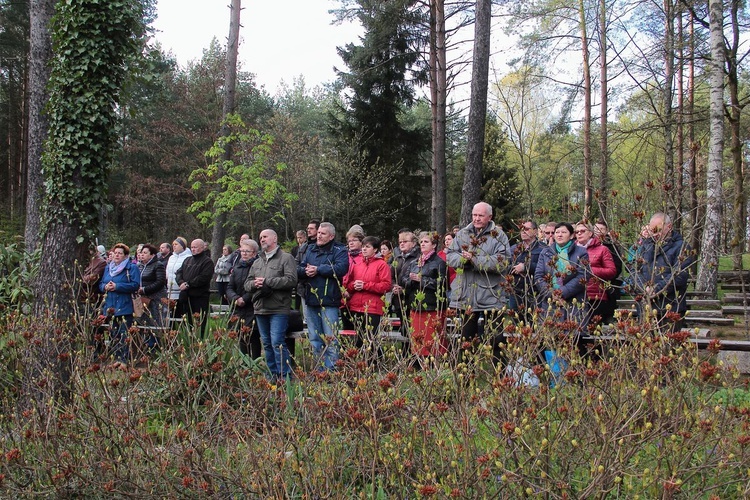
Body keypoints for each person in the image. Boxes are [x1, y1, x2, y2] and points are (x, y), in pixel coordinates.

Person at [446, 202, 511, 367]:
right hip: (466, 295)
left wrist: (474, 259)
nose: (476, 218)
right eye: (474, 215)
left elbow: (502, 263)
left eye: (480, 215)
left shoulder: (499, 236)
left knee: (496, 339)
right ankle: (467, 377)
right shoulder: (462, 234)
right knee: (466, 339)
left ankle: (499, 376)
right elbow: (450, 256)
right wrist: (464, 260)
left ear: (490, 217)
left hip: (491, 294)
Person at [626, 212, 695, 333]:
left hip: (670, 308)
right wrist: (643, 288)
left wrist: (656, 289)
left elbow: (680, 275)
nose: (655, 234)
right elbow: (634, 271)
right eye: (652, 230)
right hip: (645, 307)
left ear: (669, 227)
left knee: (668, 348)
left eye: (658, 230)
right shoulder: (645, 247)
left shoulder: (682, 247)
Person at [245, 229, 297, 380]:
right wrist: (255, 284)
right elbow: (246, 284)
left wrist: (268, 282)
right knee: (266, 343)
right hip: (260, 307)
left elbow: (291, 280)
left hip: (279, 308)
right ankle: (272, 373)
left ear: (274, 238)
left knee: (277, 342)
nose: (262, 239)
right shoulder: (257, 262)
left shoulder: (286, 258)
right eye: (260, 237)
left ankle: (285, 375)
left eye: (265, 236)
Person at [297, 222, 349, 372]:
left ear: (331, 236)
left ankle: (331, 370)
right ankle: (319, 371)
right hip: (311, 299)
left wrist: (319, 269)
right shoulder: (311, 249)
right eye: (318, 232)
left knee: (330, 338)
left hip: (329, 300)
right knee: (314, 338)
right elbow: (300, 267)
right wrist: (306, 271)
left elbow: (341, 268)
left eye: (323, 233)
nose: (318, 235)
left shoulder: (339, 249)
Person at [534, 222, 589, 356]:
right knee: (550, 342)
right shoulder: (546, 252)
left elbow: (582, 276)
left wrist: (562, 292)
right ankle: (554, 374)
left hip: (573, 304)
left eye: (563, 232)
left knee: (573, 343)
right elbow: (539, 275)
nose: (559, 234)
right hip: (550, 304)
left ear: (571, 236)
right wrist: (551, 293)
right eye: (557, 232)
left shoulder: (581, 252)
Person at [344, 235, 392, 364]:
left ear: (375, 250)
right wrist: (352, 286)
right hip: (356, 306)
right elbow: (349, 284)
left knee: (371, 338)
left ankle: (375, 364)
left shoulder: (382, 265)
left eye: (368, 247)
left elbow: (386, 286)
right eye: (363, 246)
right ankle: (362, 365)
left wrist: (366, 285)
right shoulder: (357, 265)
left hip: (373, 307)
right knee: (359, 339)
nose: (364, 249)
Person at [403, 231, 448, 365]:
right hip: (416, 306)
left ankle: (434, 364)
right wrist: (410, 281)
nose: (422, 244)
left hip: (432, 307)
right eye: (421, 242)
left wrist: (422, 280)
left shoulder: (439, 262)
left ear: (434, 245)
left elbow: (442, 283)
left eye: (426, 242)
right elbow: (403, 279)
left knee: (432, 338)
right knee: (417, 337)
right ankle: (417, 363)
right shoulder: (414, 262)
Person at [99, 243, 141, 365]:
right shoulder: (108, 268)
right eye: (115, 252)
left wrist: (118, 286)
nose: (117, 255)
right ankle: (116, 358)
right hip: (110, 305)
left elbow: (135, 285)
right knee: (113, 333)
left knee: (124, 333)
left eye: (120, 253)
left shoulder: (131, 268)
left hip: (124, 305)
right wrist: (105, 287)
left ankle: (124, 360)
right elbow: (101, 284)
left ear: (126, 255)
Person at [575, 221, 617, 326]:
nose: (579, 233)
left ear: (590, 233)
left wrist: (590, 270)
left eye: (582, 231)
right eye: (577, 232)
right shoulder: (571, 250)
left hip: (596, 297)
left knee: (593, 332)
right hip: (575, 295)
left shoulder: (602, 249)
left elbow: (612, 271)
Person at [226, 238, 261, 359]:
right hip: (238, 308)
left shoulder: (258, 267)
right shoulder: (237, 268)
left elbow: (256, 287)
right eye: (242, 251)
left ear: (254, 253)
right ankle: (245, 363)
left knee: (253, 336)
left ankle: (255, 362)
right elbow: (230, 287)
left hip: (252, 306)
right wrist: (235, 298)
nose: (244, 253)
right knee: (241, 335)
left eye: (248, 251)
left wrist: (244, 299)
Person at [176, 239, 214, 338]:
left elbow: (203, 278)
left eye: (195, 247)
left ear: (202, 247)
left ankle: (199, 343)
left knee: (198, 323)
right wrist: (181, 282)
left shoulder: (207, 262)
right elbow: (179, 273)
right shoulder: (187, 260)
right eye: (192, 247)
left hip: (199, 297)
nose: (193, 249)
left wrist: (188, 284)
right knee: (186, 322)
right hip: (186, 297)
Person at [508, 220, 544, 321]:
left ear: (535, 231)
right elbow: (505, 266)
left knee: (535, 323)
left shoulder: (543, 248)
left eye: (527, 229)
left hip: (535, 292)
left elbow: (546, 268)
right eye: (521, 229)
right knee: (517, 324)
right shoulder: (514, 248)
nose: (523, 232)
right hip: (516, 292)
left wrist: (526, 267)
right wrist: (514, 268)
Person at [391, 231, 420, 342]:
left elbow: (417, 279)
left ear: (413, 243)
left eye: (405, 241)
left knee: (412, 332)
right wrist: (393, 286)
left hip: (411, 300)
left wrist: (404, 290)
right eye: (400, 242)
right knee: (404, 332)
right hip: (398, 301)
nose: (402, 244)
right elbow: (390, 275)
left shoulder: (418, 258)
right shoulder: (397, 258)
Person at [594, 220, 624, 323]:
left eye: (601, 229)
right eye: (596, 229)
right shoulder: (588, 246)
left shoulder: (612, 247)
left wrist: (602, 274)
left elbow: (617, 267)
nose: (598, 232)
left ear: (606, 231)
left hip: (608, 287)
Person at [137, 244, 168, 341]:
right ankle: (145, 344)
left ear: (152, 255)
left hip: (156, 298)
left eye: (145, 253)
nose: (142, 255)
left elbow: (160, 282)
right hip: (143, 298)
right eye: (141, 253)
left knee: (155, 322)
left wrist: (145, 289)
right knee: (143, 321)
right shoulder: (139, 266)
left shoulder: (158, 265)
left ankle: (156, 344)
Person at [341, 228, 365, 330]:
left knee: (360, 329)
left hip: (358, 297)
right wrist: (342, 290)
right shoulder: (344, 256)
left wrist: (350, 290)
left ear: (361, 242)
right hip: (343, 298)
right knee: (347, 329)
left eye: (354, 240)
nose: (351, 243)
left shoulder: (364, 256)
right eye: (349, 241)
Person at [294, 219, 321, 310]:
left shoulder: (323, 247)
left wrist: (316, 269)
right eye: (308, 228)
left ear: (318, 230)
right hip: (304, 286)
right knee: (308, 320)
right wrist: (305, 270)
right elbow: (295, 265)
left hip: (320, 286)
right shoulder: (303, 247)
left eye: (311, 228)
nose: (308, 230)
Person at [166, 237, 191, 317]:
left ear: (183, 246)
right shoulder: (171, 257)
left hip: (181, 290)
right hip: (171, 290)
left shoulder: (188, 258)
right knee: (171, 314)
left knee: (180, 313)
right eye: (173, 244)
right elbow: (167, 271)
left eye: (176, 244)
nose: (174, 246)